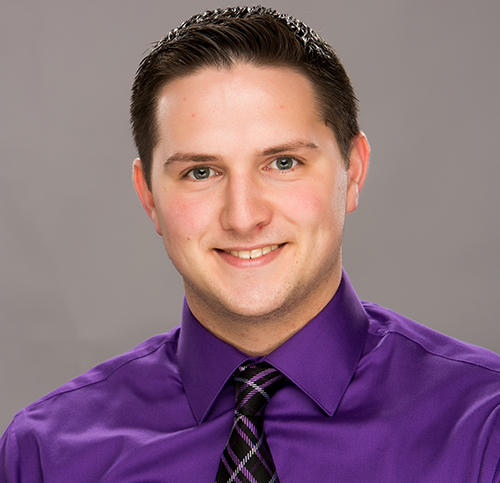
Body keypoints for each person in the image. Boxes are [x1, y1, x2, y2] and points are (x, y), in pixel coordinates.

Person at [1, 5, 500, 482]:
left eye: (283, 163)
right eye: (201, 172)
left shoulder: (483, 427)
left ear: (353, 172)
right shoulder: (45, 455)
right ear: (148, 195)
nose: (243, 217)